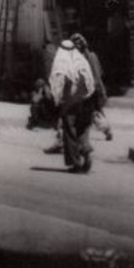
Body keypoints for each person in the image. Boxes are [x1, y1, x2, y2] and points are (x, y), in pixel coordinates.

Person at [48, 35, 95, 173]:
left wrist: (57, 101)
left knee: (70, 132)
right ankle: (86, 152)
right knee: (81, 129)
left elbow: (57, 84)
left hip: (69, 104)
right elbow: (90, 81)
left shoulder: (61, 62)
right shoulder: (81, 61)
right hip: (85, 101)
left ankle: (76, 164)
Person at [73, 33, 114, 142]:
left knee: (91, 113)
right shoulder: (93, 56)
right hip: (96, 88)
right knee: (98, 111)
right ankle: (107, 130)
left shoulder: (84, 59)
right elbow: (99, 73)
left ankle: (85, 139)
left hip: (91, 89)